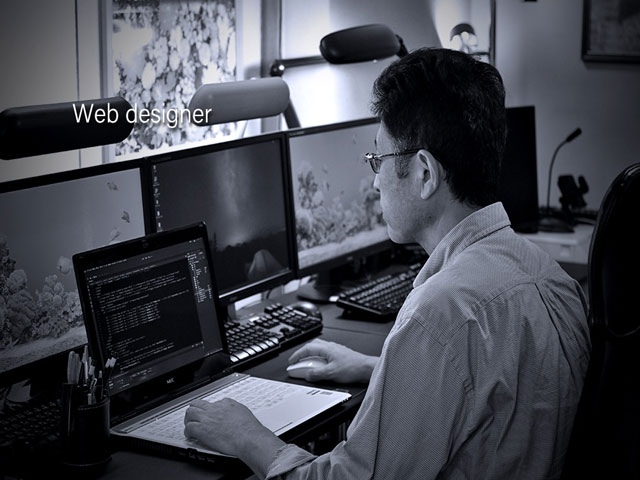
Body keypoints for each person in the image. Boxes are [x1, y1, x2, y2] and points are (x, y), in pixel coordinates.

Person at [183, 48, 591, 479]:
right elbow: (495, 389)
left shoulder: (440, 315)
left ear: (424, 174)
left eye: (379, 160)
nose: (376, 181)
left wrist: (247, 436)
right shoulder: (551, 276)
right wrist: (378, 368)